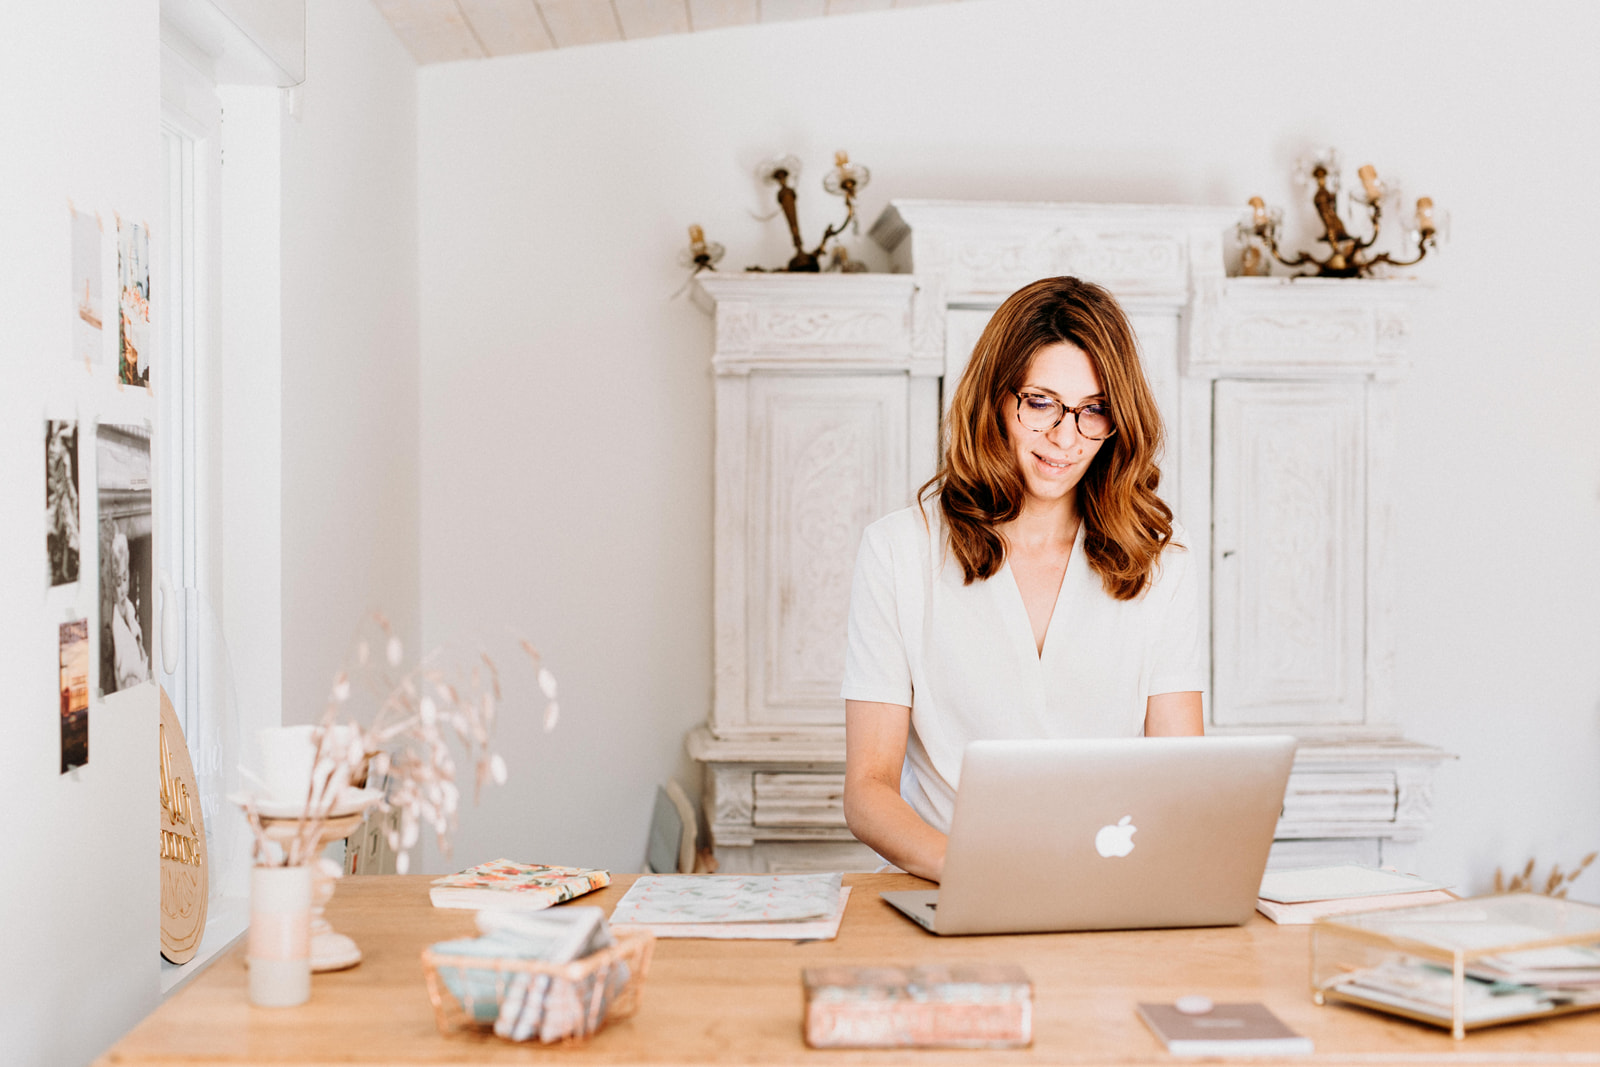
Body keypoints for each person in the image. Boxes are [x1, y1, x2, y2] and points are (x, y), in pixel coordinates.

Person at [840, 276, 1206, 883]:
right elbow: (868, 791)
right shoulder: (898, 551)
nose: (1066, 438)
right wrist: (978, 874)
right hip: (949, 888)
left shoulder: (1162, 560)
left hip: (1105, 892)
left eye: (1094, 411)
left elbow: (1183, 783)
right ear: (996, 398)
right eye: (1041, 403)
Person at [109, 531, 150, 691]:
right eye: (118, 583)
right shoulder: (115, 624)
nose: (123, 589)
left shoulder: (130, 608)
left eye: (125, 579)